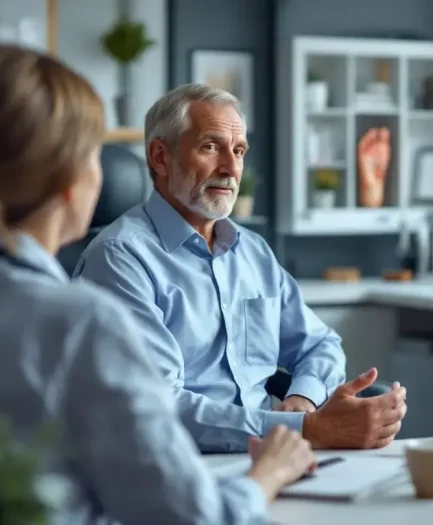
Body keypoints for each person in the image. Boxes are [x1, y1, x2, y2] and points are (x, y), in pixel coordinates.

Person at [0, 44, 316, 524]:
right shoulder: (79, 322)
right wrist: (269, 473)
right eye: (94, 154)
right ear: (68, 181)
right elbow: (197, 519)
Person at [74, 84, 408, 453]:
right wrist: (305, 429)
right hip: (182, 461)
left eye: (238, 151)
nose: (232, 168)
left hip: (276, 452)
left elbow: (319, 344)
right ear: (160, 157)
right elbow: (158, 403)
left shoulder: (252, 251)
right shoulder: (120, 258)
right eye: (210, 147)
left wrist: (303, 400)